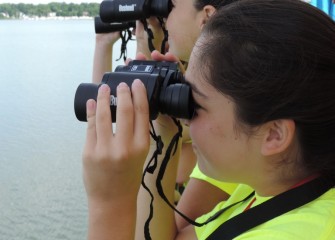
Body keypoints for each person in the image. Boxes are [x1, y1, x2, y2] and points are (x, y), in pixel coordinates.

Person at [82, 0, 335, 239]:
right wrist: (162, 133)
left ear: (274, 135)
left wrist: (109, 202)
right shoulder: (268, 185)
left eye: (196, 104)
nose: (186, 121)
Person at [90, 0, 239, 232]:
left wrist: (109, 201)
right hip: (162, 197)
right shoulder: (211, 85)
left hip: (172, 201)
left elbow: (131, 117)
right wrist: (105, 43)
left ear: (207, 16)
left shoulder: (218, 113)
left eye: (171, 7)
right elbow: (109, 104)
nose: (165, 17)